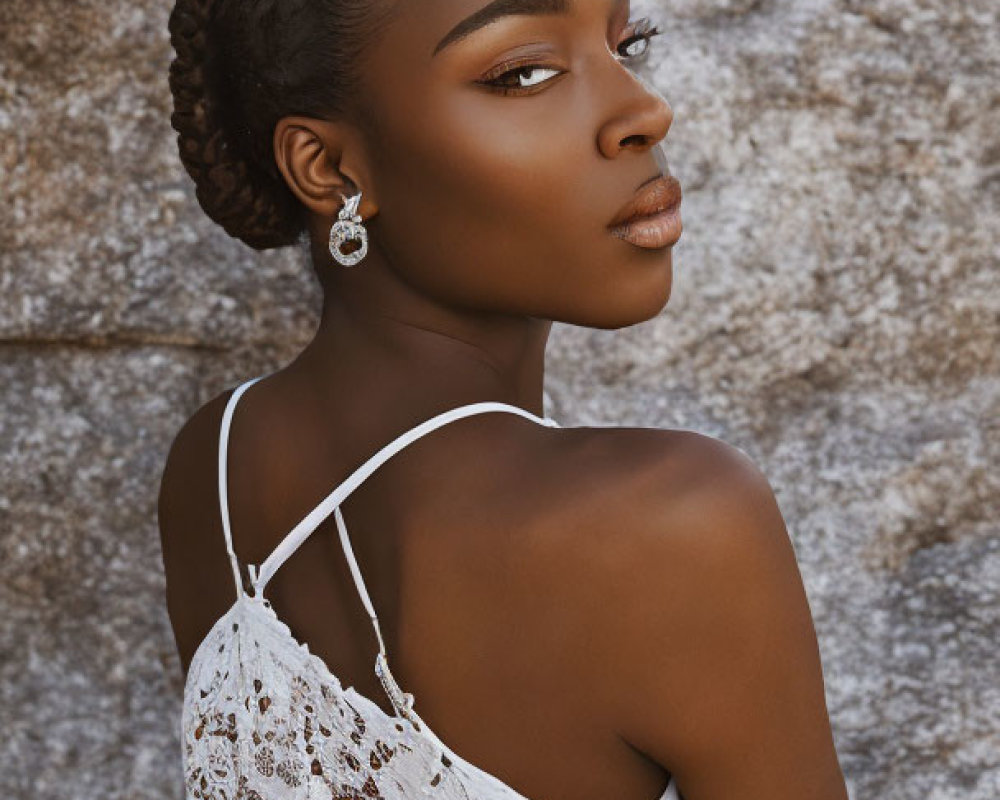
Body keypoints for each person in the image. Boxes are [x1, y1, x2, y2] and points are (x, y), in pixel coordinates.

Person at [157, 1, 850, 798]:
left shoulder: (213, 462)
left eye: (628, 45)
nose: (646, 112)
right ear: (331, 169)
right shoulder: (671, 521)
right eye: (523, 73)